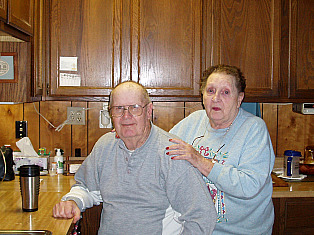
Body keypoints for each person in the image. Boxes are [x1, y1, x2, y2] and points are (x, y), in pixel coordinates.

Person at [53, 81, 216, 234]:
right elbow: (86, 187)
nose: (126, 116)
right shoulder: (105, 146)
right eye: (118, 108)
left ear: (149, 111)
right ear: (111, 114)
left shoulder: (172, 153)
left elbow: (202, 217)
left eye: (135, 107)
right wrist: (73, 202)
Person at [166, 64, 275, 234]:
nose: (216, 98)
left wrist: (200, 161)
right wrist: (136, 134)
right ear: (202, 96)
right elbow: (163, 148)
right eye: (210, 90)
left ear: (239, 99)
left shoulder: (254, 129)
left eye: (225, 92)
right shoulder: (194, 121)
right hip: (198, 228)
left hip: (241, 231)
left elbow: (250, 185)